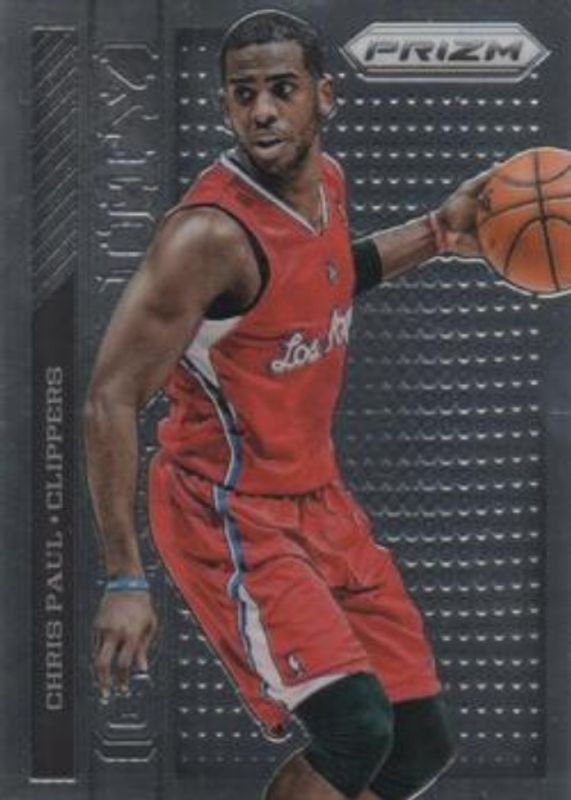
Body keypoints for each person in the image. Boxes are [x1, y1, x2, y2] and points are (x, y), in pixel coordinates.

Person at [84, 10, 491, 800]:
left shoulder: (327, 184)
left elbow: (326, 276)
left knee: (419, 743)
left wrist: (439, 232)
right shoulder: (206, 237)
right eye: (244, 95)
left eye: (281, 89)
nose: (263, 110)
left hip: (319, 501)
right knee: (355, 729)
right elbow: (109, 397)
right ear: (225, 107)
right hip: (226, 511)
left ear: (323, 96)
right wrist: (125, 579)